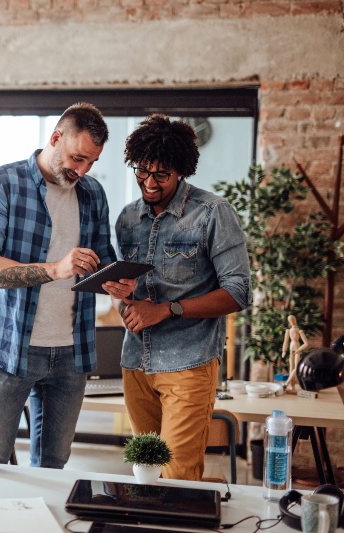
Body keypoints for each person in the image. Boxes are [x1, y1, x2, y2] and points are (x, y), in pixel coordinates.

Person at [0, 102, 135, 468]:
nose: (82, 170)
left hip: (71, 355)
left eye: (91, 162)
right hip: (10, 350)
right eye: (77, 158)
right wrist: (55, 269)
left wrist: (115, 283)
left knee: (54, 467)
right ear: (55, 137)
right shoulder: (1, 185)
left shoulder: (92, 194)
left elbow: (100, 261)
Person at [115, 114, 251, 481]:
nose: (150, 183)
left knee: (177, 477)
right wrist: (121, 296)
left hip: (188, 364)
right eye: (142, 172)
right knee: (144, 472)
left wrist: (167, 309)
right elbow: (130, 293)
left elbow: (239, 292)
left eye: (161, 175)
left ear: (181, 171)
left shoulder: (213, 214)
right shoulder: (127, 219)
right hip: (135, 365)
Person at [283, 314, 310, 391]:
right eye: (290, 320)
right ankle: (292, 386)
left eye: (293, 319)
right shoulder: (288, 331)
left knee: (297, 367)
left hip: (297, 349)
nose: (292, 321)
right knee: (291, 368)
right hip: (291, 350)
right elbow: (285, 342)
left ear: (295, 320)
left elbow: (306, 343)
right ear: (289, 321)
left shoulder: (299, 331)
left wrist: (299, 350)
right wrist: (284, 351)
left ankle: (286, 383)